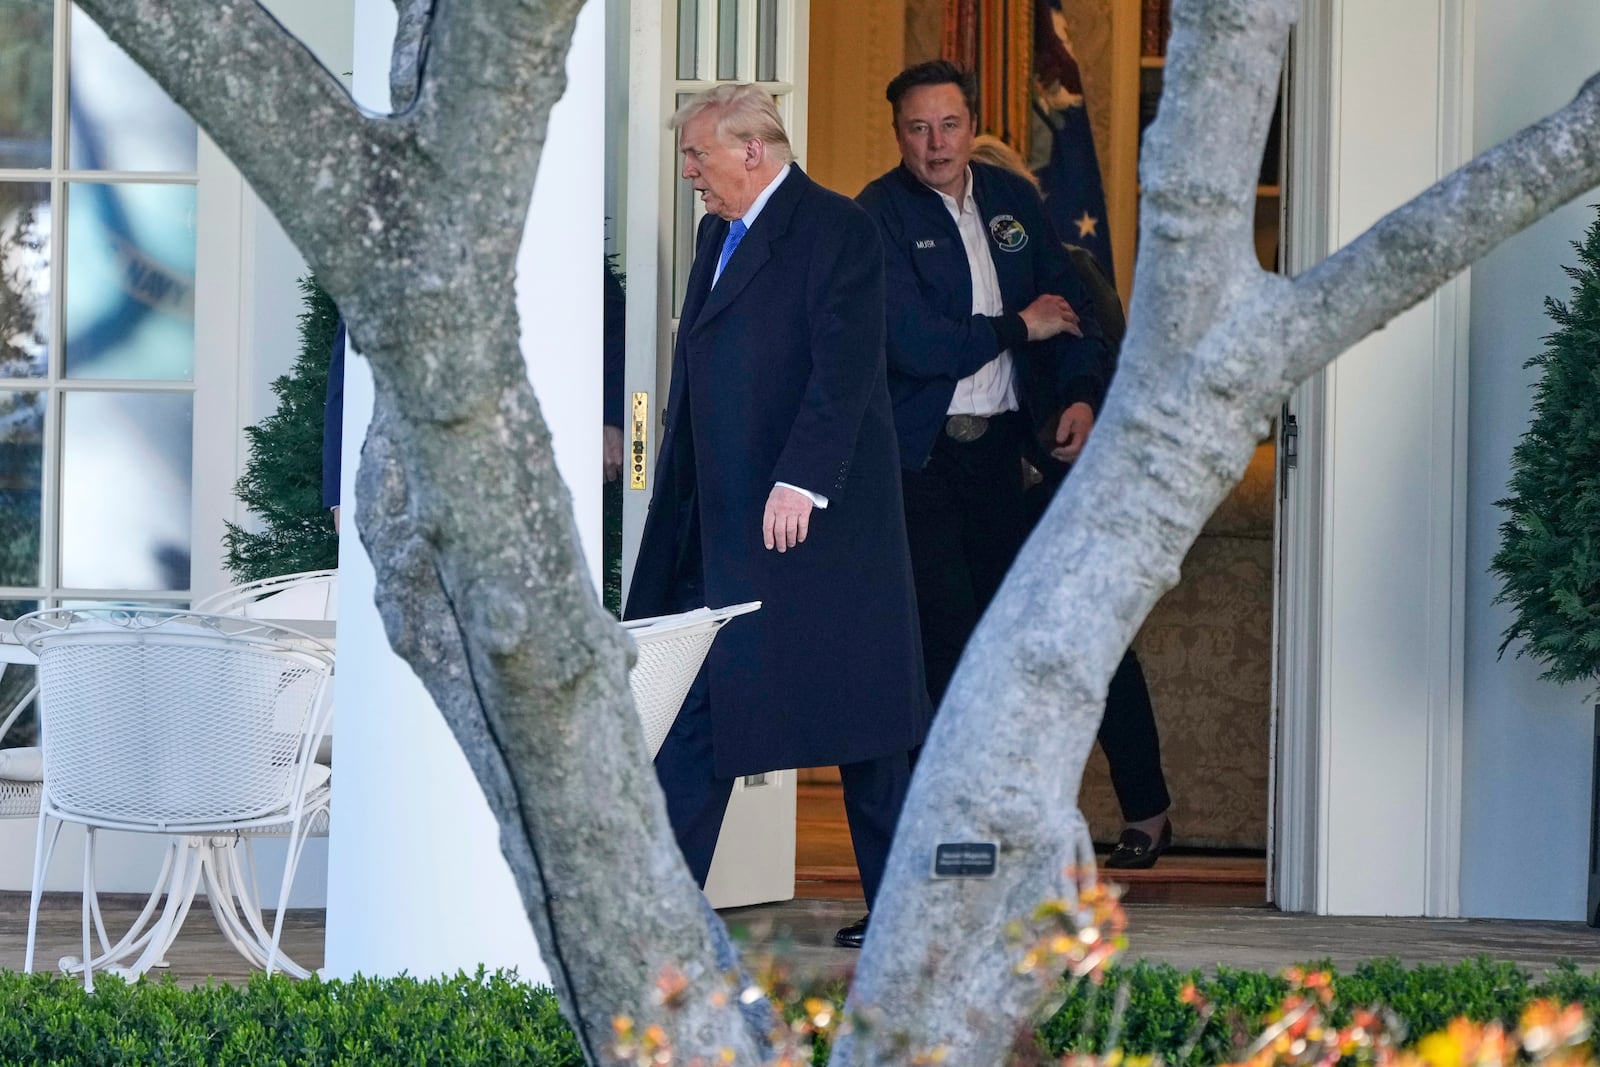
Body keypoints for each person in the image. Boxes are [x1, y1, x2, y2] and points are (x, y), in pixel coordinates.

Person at [623, 84, 930, 949]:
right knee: (701, 708)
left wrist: (804, 480)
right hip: (721, 515)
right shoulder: (715, 231)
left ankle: (903, 916)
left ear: (752, 151)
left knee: (867, 729)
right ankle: (656, 913)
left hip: (814, 525)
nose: (689, 173)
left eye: (698, 156)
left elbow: (846, 370)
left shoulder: (837, 228)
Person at [857, 61, 1171, 867]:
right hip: (921, 468)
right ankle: (958, 844)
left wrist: (1079, 396)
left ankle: (1042, 826)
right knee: (948, 651)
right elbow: (914, 344)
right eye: (918, 128)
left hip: (1015, 462)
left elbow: (1076, 314)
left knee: (1031, 645)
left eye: (950, 125)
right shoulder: (877, 216)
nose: (935, 143)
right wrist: (1013, 327)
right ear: (898, 134)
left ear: (972, 123)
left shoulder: (1015, 205)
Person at [968, 134, 1175, 868]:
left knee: (1097, 654)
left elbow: (1119, 373)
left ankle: (1147, 808)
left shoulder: (1071, 270)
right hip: (992, 488)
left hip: (1076, 490)